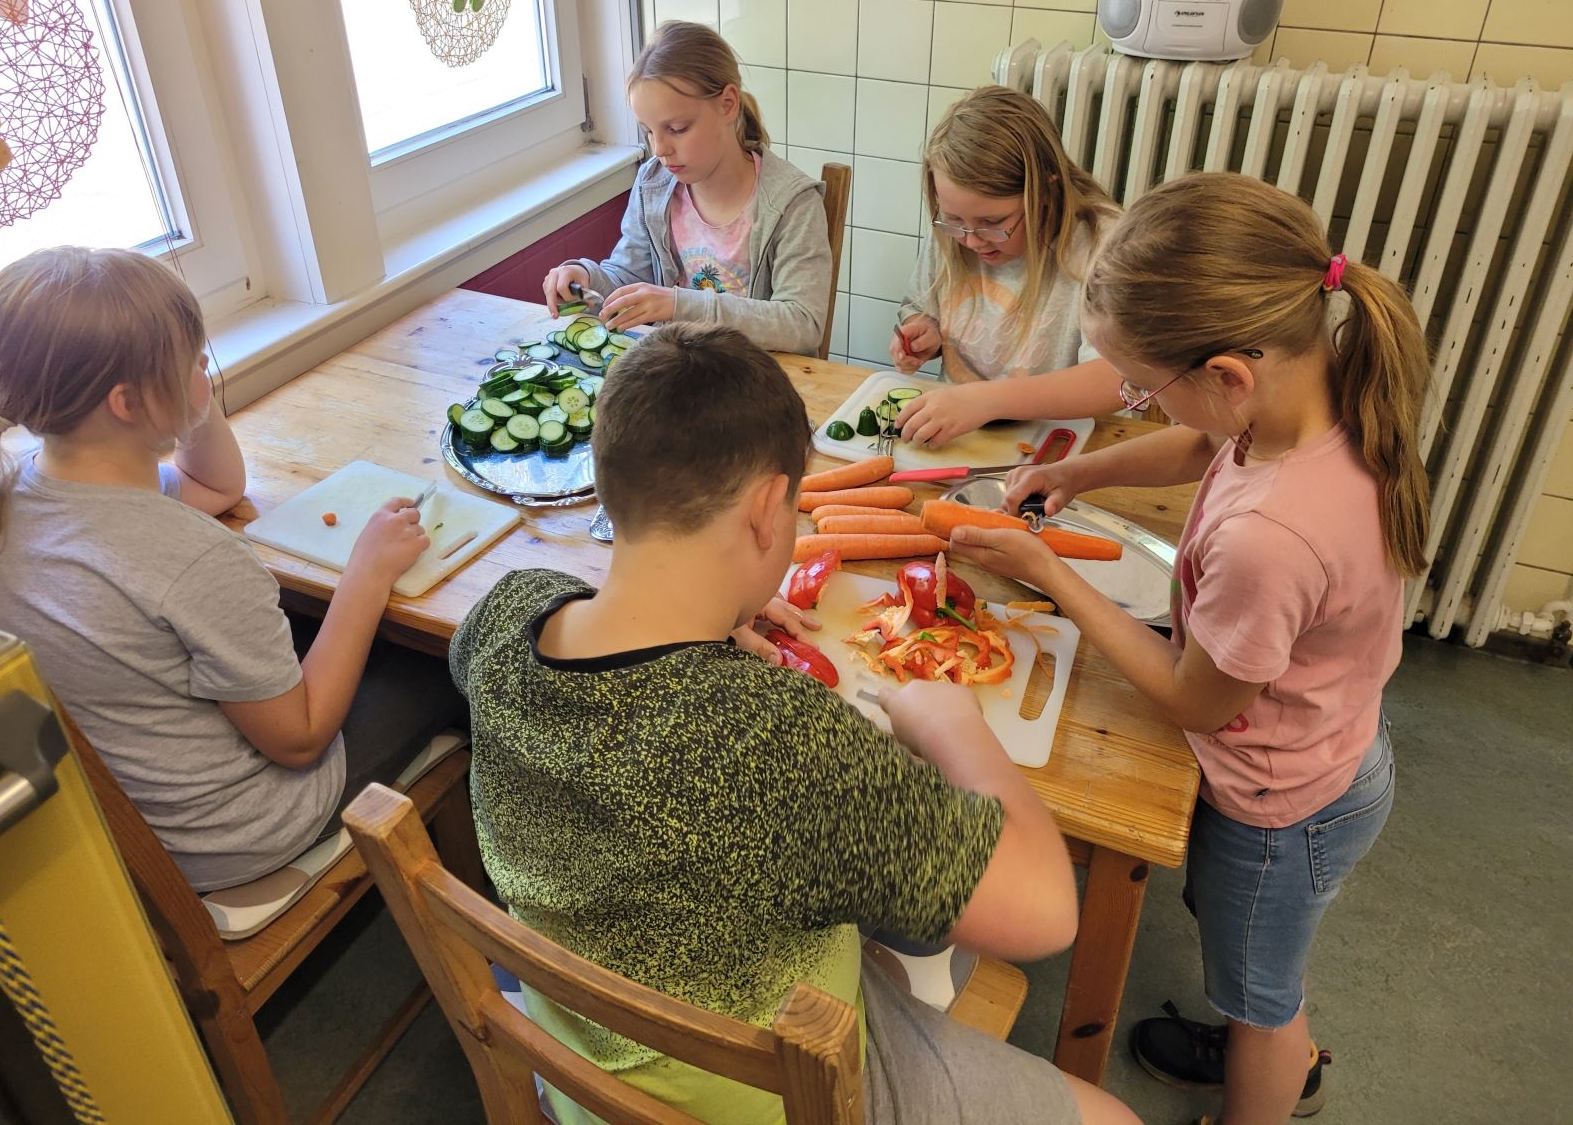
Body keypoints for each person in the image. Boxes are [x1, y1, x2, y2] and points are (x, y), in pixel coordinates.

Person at [449, 322, 1139, 1125]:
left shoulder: (503, 616)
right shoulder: (774, 743)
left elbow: (591, 670)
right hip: (762, 1095)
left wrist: (707, 622)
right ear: (767, 509)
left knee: (890, 922)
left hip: (576, 1058)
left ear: (607, 482)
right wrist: (953, 725)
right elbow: (1047, 910)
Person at [954, 172, 1422, 1125]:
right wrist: (1081, 472)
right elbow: (1204, 449)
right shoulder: (1309, 396)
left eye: (1144, 387)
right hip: (1319, 751)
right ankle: (1259, 1032)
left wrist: (1051, 575)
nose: (1138, 401)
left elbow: (1192, 697)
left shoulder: (1271, 540)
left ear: (1227, 376)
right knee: (1248, 953)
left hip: (1282, 803)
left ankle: (1268, 1068)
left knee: (1263, 997)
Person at [0, 247, 465, 892]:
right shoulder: (191, 559)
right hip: (244, 829)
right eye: (194, 361)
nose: (206, 367)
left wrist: (186, 399)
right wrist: (367, 572)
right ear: (127, 402)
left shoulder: (12, 494)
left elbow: (217, 486)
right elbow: (300, 741)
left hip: (145, 819)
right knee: (444, 662)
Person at [543, 21, 833, 355]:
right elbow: (627, 276)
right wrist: (585, 278)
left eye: (677, 129)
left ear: (728, 104)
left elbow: (802, 324)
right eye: (648, 131)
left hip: (756, 378)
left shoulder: (792, 204)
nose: (660, 149)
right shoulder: (653, 184)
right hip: (676, 370)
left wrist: (679, 304)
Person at [890, 86, 1124, 449]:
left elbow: (1117, 380)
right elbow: (923, 307)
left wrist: (985, 401)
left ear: (1046, 192)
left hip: (1063, 442)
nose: (971, 241)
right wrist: (926, 331)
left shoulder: (1104, 246)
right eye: (954, 220)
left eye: (993, 222)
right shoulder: (957, 231)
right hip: (962, 438)